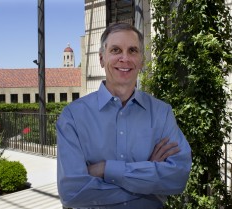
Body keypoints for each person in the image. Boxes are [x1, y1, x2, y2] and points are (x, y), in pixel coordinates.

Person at [56, 22, 192, 209]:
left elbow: (178, 177)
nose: (125, 58)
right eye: (116, 50)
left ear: (142, 60)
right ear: (102, 59)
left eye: (133, 50)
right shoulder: (72, 117)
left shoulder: (161, 113)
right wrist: (148, 177)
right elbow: (72, 193)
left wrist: (105, 169)